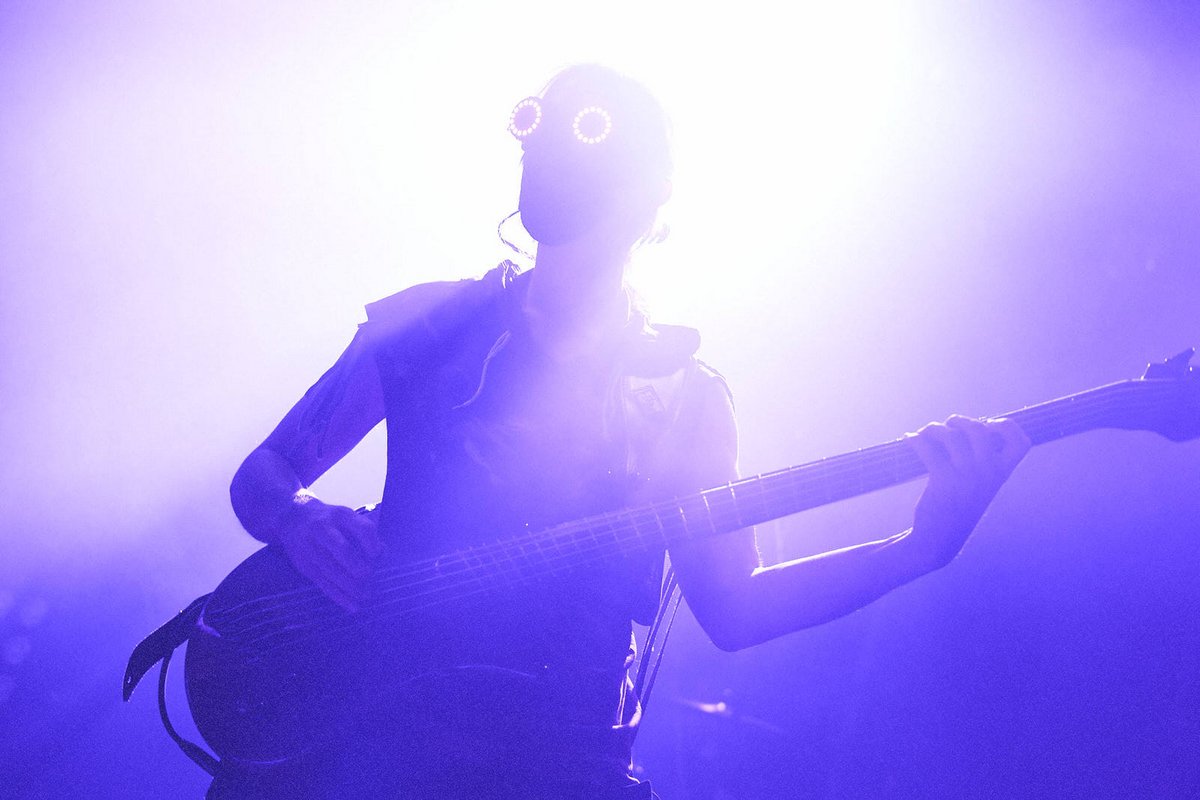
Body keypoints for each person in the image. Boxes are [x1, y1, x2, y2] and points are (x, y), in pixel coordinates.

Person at [224, 64, 1030, 799]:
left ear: (650, 193)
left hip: (549, 767)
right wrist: (296, 518)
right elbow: (262, 474)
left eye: (588, 133)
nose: (547, 155)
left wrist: (920, 547)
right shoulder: (425, 325)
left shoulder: (684, 399)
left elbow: (735, 609)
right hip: (361, 749)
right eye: (539, 134)